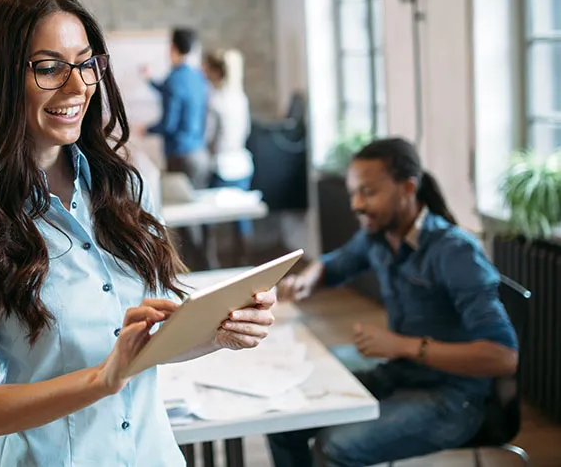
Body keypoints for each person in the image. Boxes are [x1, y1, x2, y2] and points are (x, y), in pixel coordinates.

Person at [0, 0, 277, 467]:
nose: (78, 85)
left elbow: (143, 349)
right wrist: (103, 378)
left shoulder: (127, 183)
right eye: (48, 68)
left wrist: (219, 330)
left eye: (86, 64)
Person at [269, 137, 518, 467]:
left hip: (456, 398)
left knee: (334, 447)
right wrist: (306, 280)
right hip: (402, 374)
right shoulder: (378, 234)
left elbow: (503, 357)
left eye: (368, 192)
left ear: (407, 188)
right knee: (284, 417)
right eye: (353, 193)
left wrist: (402, 345)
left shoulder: (455, 251)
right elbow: (333, 264)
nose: (356, 204)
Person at [144, 27, 210, 189]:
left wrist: (147, 129)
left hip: (180, 157)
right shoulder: (198, 77)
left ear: (172, 47)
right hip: (200, 154)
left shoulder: (173, 79)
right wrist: (150, 80)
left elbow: (168, 125)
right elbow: (172, 92)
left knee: (181, 210)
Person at [203, 48, 254, 240]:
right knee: (241, 218)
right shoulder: (241, 98)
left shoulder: (215, 101)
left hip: (221, 166)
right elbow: (247, 130)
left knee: (208, 220)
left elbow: (209, 136)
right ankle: (245, 259)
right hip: (242, 164)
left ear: (215, 72)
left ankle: (210, 264)